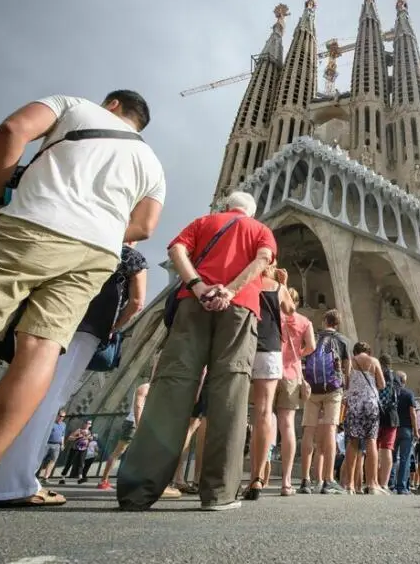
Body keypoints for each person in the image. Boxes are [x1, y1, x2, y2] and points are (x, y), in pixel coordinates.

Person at [0, 90, 165, 527]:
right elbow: (144, 226)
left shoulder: (74, 106)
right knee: (43, 349)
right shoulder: (153, 164)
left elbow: (11, 130)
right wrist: (101, 223)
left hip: (34, 223)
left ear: (111, 105)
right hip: (96, 253)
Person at [117, 191, 277, 512]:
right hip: (240, 307)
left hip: (194, 303)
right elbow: (262, 260)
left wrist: (198, 286)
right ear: (251, 210)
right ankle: (219, 493)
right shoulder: (260, 229)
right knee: (229, 390)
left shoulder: (204, 221)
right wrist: (230, 290)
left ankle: (137, 491)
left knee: (172, 386)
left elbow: (176, 249)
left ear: (226, 205)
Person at [0, 242, 151, 507]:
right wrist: (114, 327)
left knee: (24, 388)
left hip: (43, 317)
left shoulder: (75, 238)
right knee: (49, 397)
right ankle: (14, 482)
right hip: (86, 327)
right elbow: (137, 302)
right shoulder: (128, 256)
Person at [242, 264, 295, 500]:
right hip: (269, 348)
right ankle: (256, 477)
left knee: (239, 410)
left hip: (244, 345)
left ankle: (228, 474)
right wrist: (283, 282)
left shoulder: (246, 281)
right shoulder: (278, 287)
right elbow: (290, 309)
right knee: (264, 412)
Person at [298, 309, 350, 496]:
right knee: (330, 429)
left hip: (312, 388)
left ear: (324, 320)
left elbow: (302, 358)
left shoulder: (314, 337)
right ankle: (328, 480)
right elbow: (346, 369)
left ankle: (305, 480)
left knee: (308, 430)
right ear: (337, 323)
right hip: (333, 389)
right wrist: (345, 388)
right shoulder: (342, 340)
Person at [277, 287, 315, 496]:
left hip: (269, 370)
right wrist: (297, 354)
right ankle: (286, 481)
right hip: (291, 373)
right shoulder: (303, 321)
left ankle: (257, 478)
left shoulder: (274, 316)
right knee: (287, 425)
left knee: (262, 420)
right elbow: (312, 346)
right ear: (297, 302)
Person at [342, 342, 386, 495]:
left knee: (353, 441)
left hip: (354, 405)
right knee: (371, 441)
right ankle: (373, 484)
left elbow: (346, 384)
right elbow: (382, 384)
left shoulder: (350, 362)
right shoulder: (374, 361)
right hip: (370, 404)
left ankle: (349, 485)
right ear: (368, 351)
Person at [390, 371, 417, 495]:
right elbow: (413, 414)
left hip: (393, 428)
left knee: (392, 458)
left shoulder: (391, 392)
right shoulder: (408, 393)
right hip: (406, 429)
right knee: (405, 459)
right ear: (404, 381)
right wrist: (415, 430)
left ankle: (390, 485)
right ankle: (402, 487)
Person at [376, 354, 400, 489]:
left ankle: (372, 481)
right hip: (391, 417)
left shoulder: (376, 374)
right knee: (387, 449)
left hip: (377, 415)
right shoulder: (395, 377)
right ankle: (384, 484)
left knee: (373, 448)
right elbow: (398, 395)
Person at [37, 410, 67, 485]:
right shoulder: (51, 423)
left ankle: (45, 478)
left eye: (63, 417)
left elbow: (62, 435)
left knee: (52, 461)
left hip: (57, 445)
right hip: (47, 444)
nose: (61, 418)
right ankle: (34, 475)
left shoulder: (63, 425)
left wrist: (62, 444)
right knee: (40, 459)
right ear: (57, 415)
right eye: (60, 416)